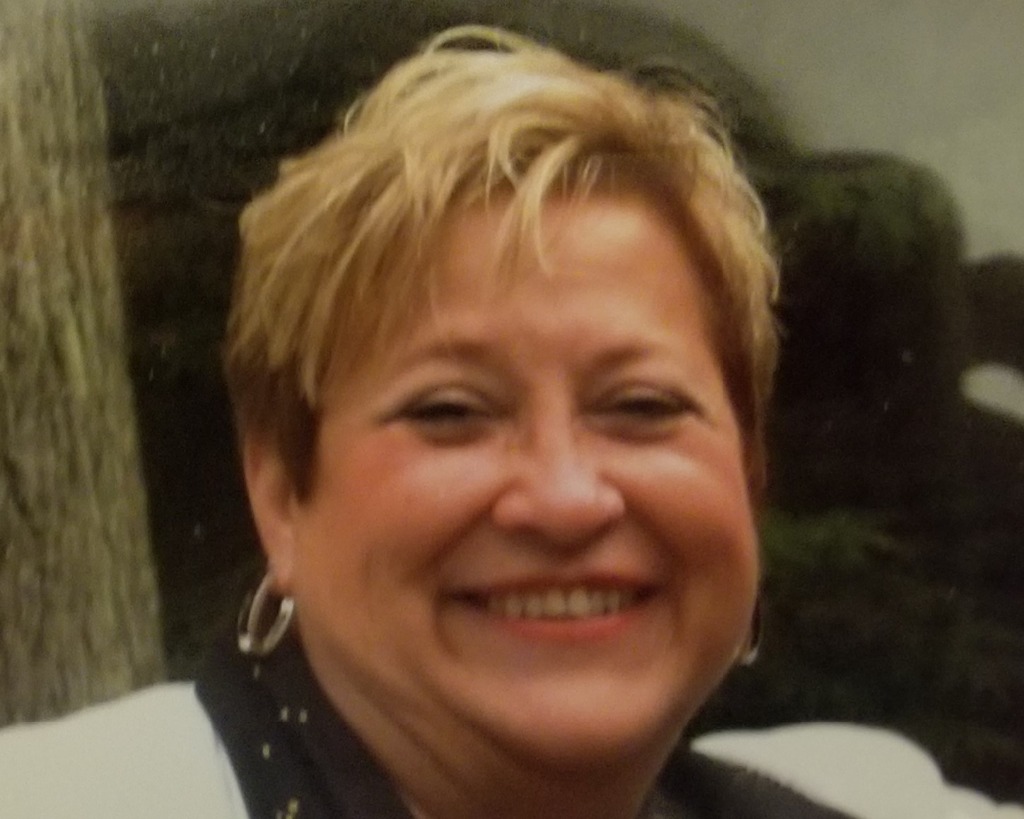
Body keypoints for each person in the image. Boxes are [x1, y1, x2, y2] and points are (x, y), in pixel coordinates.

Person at [1, 24, 1021, 819]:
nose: (565, 497)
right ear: (279, 494)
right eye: (450, 413)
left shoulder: (864, 798)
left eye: (642, 407)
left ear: (748, 472)